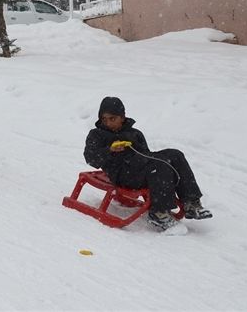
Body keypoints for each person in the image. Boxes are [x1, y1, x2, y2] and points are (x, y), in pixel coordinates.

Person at [83, 96, 212, 231]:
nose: (108, 123)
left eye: (112, 119)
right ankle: (158, 212)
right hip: (122, 175)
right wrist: (110, 150)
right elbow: (90, 158)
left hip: (138, 168)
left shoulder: (135, 133)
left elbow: (145, 154)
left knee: (175, 155)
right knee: (158, 166)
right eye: (104, 119)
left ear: (122, 117)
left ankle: (191, 202)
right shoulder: (97, 135)